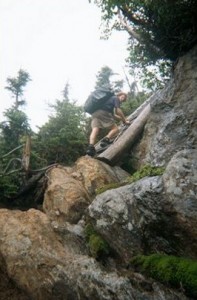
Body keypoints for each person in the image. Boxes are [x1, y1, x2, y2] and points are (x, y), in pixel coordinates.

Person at [86, 91, 130, 157]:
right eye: (122, 97)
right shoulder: (115, 98)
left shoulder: (109, 101)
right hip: (104, 113)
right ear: (119, 95)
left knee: (95, 130)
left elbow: (114, 115)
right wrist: (125, 121)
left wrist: (123, 119)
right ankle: (106, 140)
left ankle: (90, 147)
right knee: (116, 129)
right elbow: (118, 111)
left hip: (95, 113)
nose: (122, 99)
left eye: (123, 99)